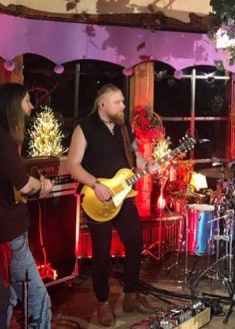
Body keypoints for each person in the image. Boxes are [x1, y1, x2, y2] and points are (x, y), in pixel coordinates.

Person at [66, 84, 158, 327]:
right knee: (102, 254)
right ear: (102, 104)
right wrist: (95, 184)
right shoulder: (84, 128)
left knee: (135, 244)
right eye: (118, 102)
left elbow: (136, 156)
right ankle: (103, 303)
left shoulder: (124, 128)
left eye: (123, 101)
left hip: (124, 197)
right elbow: (72, 164)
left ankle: (131, 296)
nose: (123, 106)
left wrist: (148, 165)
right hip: (98, 199)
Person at [0, 82, 53, 328]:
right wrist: (41, 185)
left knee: (7, 299)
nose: (31, 107)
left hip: (7, 233)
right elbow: (23, 185)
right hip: (10, 234)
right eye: (26, 101)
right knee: (38, 300)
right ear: (13, 106)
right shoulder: (4, 140)